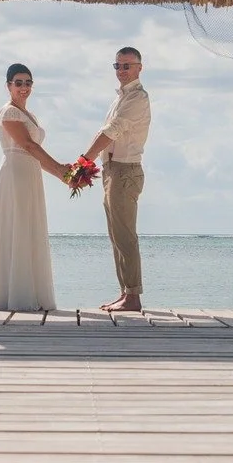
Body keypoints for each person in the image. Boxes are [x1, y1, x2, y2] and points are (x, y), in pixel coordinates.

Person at [0, 63, 70, 311]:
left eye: (28, 82)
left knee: (29, 229)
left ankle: (32, 294)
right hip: (15, 177)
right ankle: (10, 296)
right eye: (18, 83)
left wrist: (61, 174)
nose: (24, 87)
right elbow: (28, 146)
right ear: (8, 86)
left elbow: (34, 156)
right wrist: (60, 167)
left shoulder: (31, 116)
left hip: (30, 176)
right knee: (14, 229)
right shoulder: (8, 113)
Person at [83, 46, 150, 313]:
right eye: (118, 66)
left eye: (127, 66)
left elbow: (112, 131)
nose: (122, 71)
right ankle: (125, 293)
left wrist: (83, 160)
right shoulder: (118, 98)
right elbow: (105, 132)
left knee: (125, 236)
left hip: (125, 170)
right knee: (116, 235)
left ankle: (133, 297)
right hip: (112, 170)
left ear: (139, 68)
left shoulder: (137, 98)